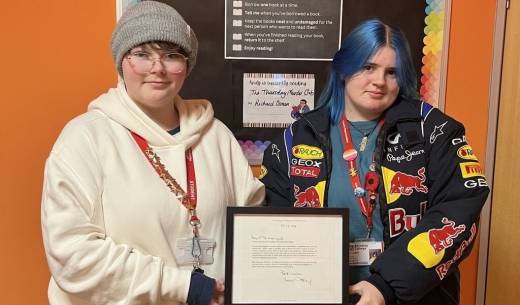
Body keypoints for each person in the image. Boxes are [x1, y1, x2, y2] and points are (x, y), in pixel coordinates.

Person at [41, 2, 264, 305]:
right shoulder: (85, 139)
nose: (157, 68)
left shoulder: (217, 136)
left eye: (172, 56)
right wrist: (182, 286)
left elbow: (252, 227)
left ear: (186, 66)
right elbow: (72, 256)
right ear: (121, 61)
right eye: (142, 55)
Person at [261, 19, 489, 305]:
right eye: (368, 67)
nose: (379, 81)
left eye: (391, 72)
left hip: (414, 298)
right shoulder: (297, 137)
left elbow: (460, 209)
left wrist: (385, 287)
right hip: (321, 294)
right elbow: (273, 220)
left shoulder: (433, 130)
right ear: (344, 69)